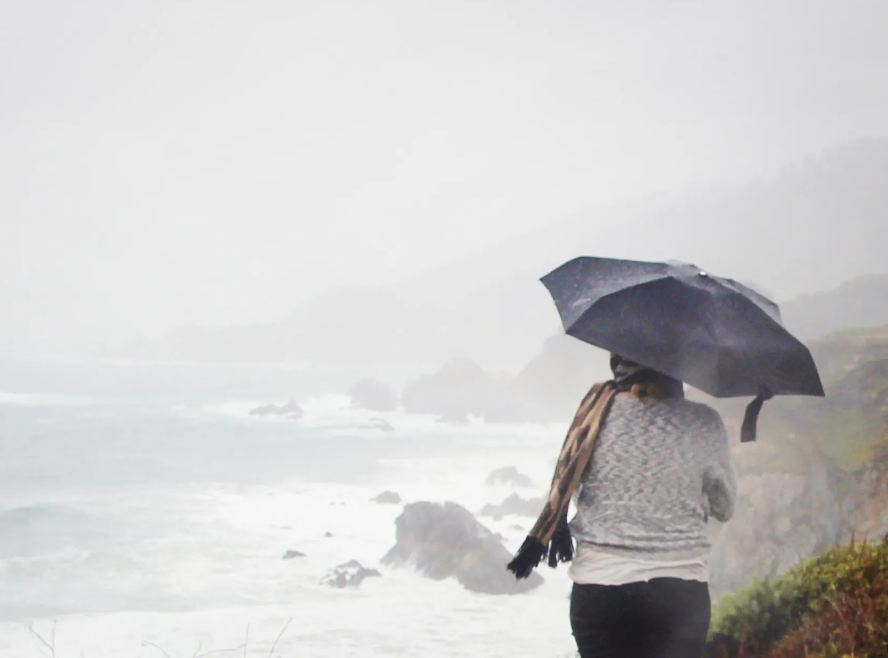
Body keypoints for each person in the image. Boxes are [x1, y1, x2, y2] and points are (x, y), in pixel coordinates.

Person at [508, 353, 737, 658]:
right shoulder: (705, 422)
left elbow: (575, 488)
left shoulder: (594, 417)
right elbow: (725, 506)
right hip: (679, 593)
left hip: (601, 588)